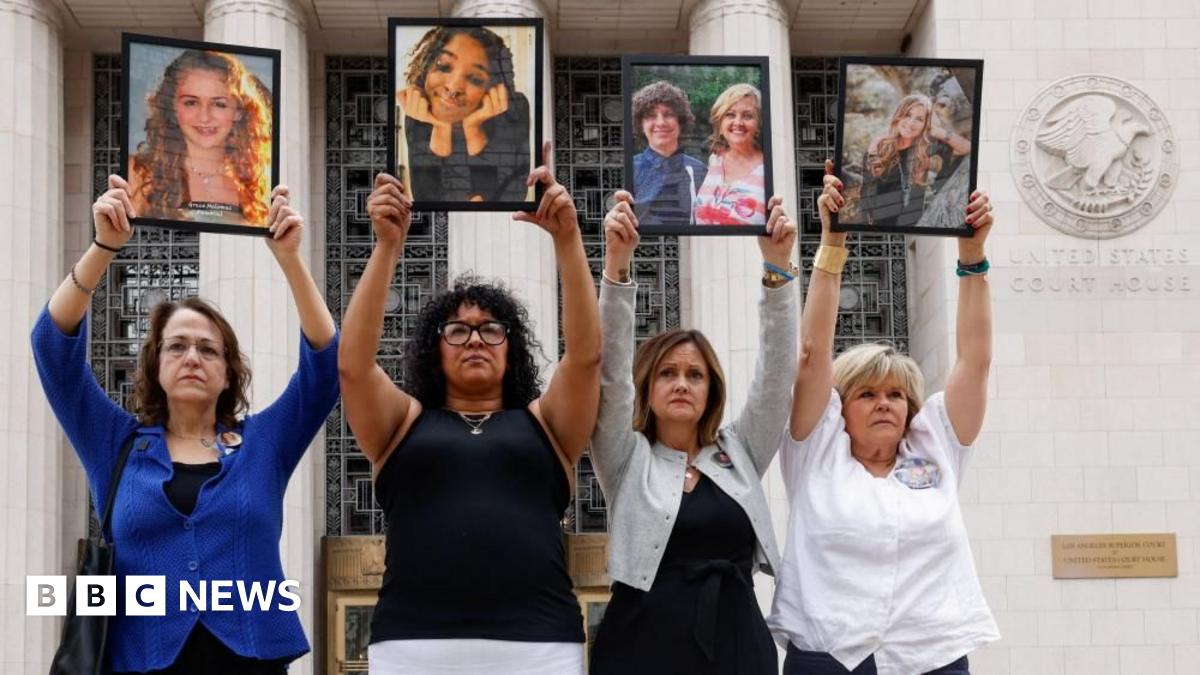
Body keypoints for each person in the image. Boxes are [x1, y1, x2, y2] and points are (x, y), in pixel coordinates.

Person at [32, 175, 338, 673]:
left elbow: (326, 367)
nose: (192, 356)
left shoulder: (264, 444)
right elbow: (51, 346)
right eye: (177, 346)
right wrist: (103, 247)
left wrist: (290, 259)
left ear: (227, 373)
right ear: (155, 365)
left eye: (208, 349)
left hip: (250, 660)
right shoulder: (116, 443)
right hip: (140, 661)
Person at [340, 144, 599, 674]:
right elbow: (353, 367)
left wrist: (568, 240)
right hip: (414, 645)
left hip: (540, 646)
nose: (475, 340)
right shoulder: (403, 423)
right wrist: (388, 246)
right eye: (458, 330)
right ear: (434, 349)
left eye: (491, 330)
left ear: (512, 346)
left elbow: (587, 358)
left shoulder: (546, 423)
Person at [768, 160, 999, 675]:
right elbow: (810, 355)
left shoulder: (936, 443)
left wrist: (972, 257)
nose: (884, 403)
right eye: (867, 393)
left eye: (896, 394)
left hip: (930, 655)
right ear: (839, 409)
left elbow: (974, 361)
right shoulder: (815, 450)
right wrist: (832, 246)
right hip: (828, 655)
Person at [587, 188, 798, 674]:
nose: (681, 383)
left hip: (738, 645)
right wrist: (617, 267)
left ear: (711, 388)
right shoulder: (626, 457)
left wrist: (778, 270)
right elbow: (611, 374)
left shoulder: (740, 451)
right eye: (667, 373)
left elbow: (775, 377)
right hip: (642, 645)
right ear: (649, 386)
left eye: (695, 374)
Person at [129, 49, 274, 226]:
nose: (204, 116)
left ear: (238, 111)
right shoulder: (139, 173)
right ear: (173, 108)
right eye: (191, 102)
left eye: (219, 104)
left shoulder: (256, 182)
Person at [397, 25, 531, 203]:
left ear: (491, 86)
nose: (453, 88)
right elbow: (426, 198)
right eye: (444, 66)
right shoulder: (420, 110)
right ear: (427, 67)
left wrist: (473, 129)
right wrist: (440, 127)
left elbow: (512, 197)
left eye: (474, 79)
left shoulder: (514, 108)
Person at [859, 93, 972, 228]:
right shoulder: (880, 145)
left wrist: (937, 131)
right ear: (898, 116)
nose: (911, 123)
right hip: (879, 224)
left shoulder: (927, 149)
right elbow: (867, 192)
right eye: (907, 115)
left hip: (914, 224)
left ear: (926, 124)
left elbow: (966, 148)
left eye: (919, 119)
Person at [629, 81, 708, 226]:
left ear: (681, 121)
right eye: (651, 116)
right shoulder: (630, 168)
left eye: (669, 114)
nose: (661, 123)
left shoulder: (700, 171)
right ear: (641, 125)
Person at [693, 83, 767, 226]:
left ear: (758, 125)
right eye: (730, 115)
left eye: (748, 116)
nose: (738, 122)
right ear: (720, 124)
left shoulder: (769, 167)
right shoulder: (715, 160)